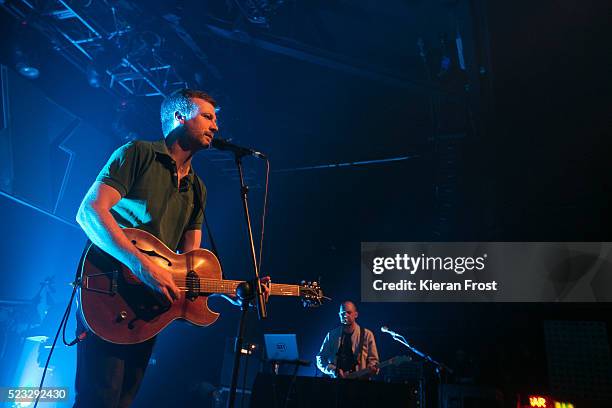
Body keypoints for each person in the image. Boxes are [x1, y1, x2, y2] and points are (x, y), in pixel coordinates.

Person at [73, 89, 266, 407]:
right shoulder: (137, 153)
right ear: (179, 117)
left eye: (215, 118)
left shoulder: (198, 188)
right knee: (99, 397)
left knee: (124, 399)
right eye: (207, 116)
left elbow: (188, 266)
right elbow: (88, 212)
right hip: (109, 289)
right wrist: (140, 265)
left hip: (148, 308)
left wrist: (227, 290)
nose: (215, 126)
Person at [316, 301, 379, 379]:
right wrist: (333, 370)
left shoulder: (367, 334)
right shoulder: (332, 335)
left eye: (349, 312)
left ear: (356, 314)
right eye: (342, 313)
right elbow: (320, 358)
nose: (345, 315)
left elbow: (374, 361)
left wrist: (372, 368)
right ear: (339, 315)